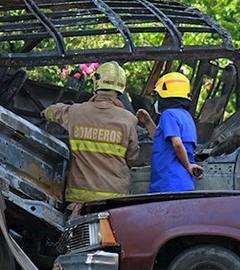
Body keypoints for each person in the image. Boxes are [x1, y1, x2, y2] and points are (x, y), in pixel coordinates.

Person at [42, 61, 140, 217]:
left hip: (79, 201)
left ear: (97, 83)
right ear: (121, 88)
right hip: (114, 199)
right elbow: (132, 158)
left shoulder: (76, 112)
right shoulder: (129, 120)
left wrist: (45, 113)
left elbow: (54, 111)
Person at [136, 72, 204, 193]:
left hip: (168, 184)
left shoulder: (169, 114)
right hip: (183, 183)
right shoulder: (186, 116)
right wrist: (148, 121)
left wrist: (188, 165)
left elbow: (177, 144)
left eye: (158, 96)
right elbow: (160, 139)